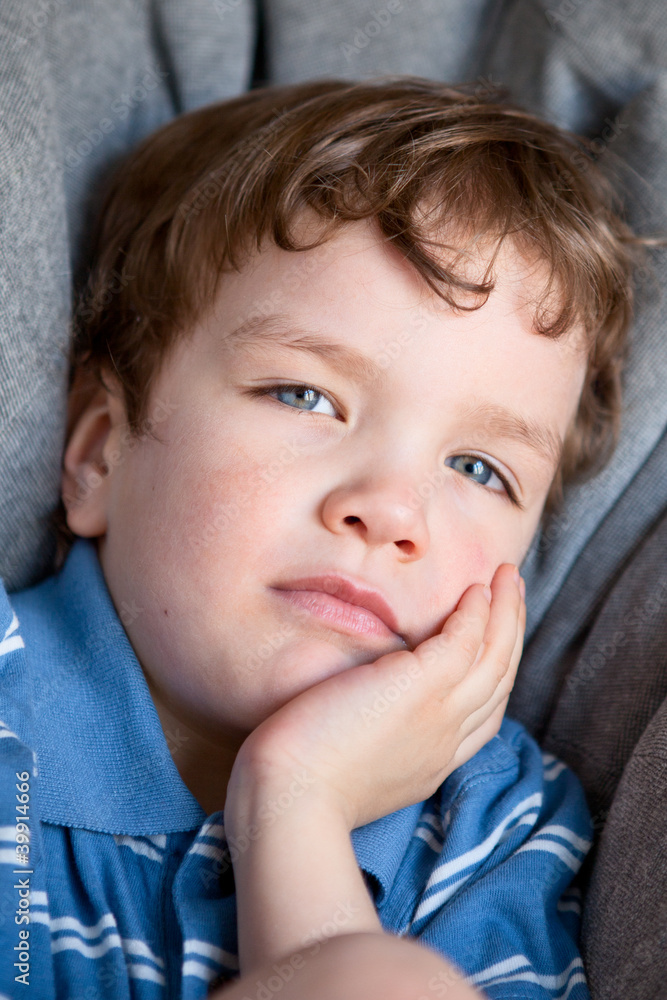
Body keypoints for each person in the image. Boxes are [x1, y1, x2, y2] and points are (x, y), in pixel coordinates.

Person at [0, 77, 645, 1000]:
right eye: (306, 396)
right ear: (100, 453)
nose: (389, 509)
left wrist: (297, 805)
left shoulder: (494, 825)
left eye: (478, 469)